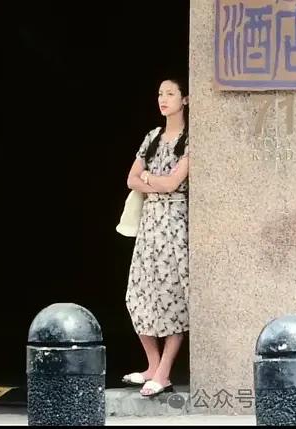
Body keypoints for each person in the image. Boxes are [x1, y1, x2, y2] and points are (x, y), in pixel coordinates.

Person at [122, 77, 190, 397]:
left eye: (171, 93)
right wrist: (153, 180)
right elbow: (131, 179)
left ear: (185, 99)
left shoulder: (190, 139)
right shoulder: (151, 137)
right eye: (160, 93)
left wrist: (148, 178)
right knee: (138, 294)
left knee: (173, 296)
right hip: (150, 224)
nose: (163, 99)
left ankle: (164, 372)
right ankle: (152, 365)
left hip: (174, 223)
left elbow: (173, 184)